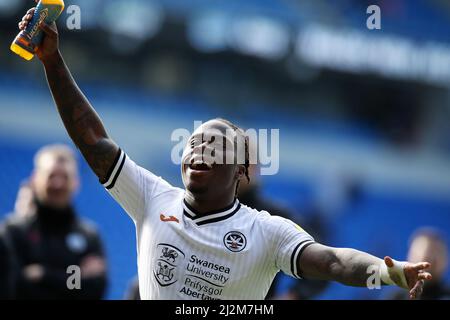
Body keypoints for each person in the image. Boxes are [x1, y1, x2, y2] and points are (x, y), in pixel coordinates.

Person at [17, 5, 432, 300]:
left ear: (241, 171)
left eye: (215, 146)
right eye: (194, 143)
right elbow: (92, 139)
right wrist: (52, 59)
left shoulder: (268, 231)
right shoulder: (151, 197)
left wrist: (389, 271)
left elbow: (334, 263)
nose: (198, 150)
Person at [3, 144, 108, 299]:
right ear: (35, 179)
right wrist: (75, 278)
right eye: (51, 176)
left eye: (65, 177)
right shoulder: (13, 231)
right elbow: (14, 286)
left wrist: (43, 275)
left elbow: (95, 289)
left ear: (76, 183)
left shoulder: (89, 235)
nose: (58, 184)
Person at [389, 228, 449, 300]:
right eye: (425, 256)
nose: (431, 260)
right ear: (410, 255)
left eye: (437, 253)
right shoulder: (396, 296)